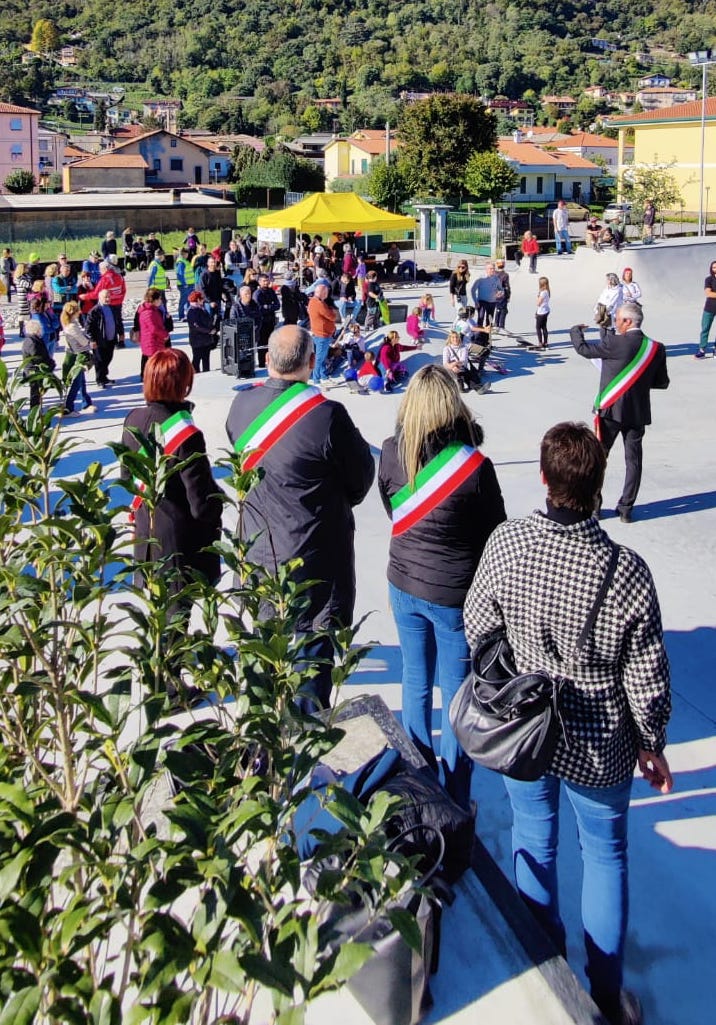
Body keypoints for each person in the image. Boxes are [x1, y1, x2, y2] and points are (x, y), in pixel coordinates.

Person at [463, 420, 672, 1025]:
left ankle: (545, 968)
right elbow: (647, 675)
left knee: (535, 840)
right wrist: (651, 742)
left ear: (544, 478)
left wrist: (520, 669)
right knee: (604, 856)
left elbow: (480, 627)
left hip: (525, 727)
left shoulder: (509, 541)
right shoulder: (626, 569)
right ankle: (605, 993)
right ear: (600, 484)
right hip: (599, 738)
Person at [225, 324, 374, 712]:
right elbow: (360, 479)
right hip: (315, 555)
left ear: (266, 360)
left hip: (258, 551)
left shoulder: (240, 407)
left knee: (261, 656)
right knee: (312, 659)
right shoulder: (326, 415)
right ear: (312, 362)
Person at [378, 363, 505, 806]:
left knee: (414, 680)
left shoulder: (392, 451)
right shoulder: (474, 466)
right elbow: (496, 533)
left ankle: (417, 777)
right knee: (456, 695)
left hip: (403, 582)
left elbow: (391, 509)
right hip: (454, 593)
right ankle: (455, 790)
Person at [122, 349, 222, 700]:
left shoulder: (133, 419)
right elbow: (200, 502)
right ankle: (170, 689)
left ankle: (156, 669)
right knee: (177, 615)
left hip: (146, 530)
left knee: (158, 610)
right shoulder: (186, 434)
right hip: (179, 537)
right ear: (183, 384)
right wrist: (219, 506)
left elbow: (127, 477)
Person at [570, 302, 669, 523]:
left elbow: (584, 350)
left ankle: (595, 507)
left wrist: (575, 331)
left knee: (598, 458)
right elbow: (662, 382)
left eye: (618, 320)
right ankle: (626, 508)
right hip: (638, 413)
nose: (615, 323)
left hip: (611, 412)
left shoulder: (614, 342)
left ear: (628, 321)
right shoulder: (656, 348)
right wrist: (639, 385)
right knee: (633, 461)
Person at [60, 301, 96, 417]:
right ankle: (68, 407)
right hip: (77, 356)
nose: (80, 312)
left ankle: (86, 402)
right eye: (77, 311)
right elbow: (83, 341)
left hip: (75, 354)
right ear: (73, 313)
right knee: (76, 382)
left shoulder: (71, 323)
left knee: (81, 381)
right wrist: (90, 343)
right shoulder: (71, 327)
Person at [86, 258, 127, 349]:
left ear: (105, 269)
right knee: (119, 321)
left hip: (109, 303)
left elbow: (96, 294)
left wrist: (85, 296)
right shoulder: (119, 276)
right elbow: (123, 289)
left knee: (110, 321)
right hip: (118, 302)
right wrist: (120, 298)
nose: (100, 272)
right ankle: (121, 340)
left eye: (100, 270)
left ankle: (113, 340)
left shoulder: (104, 279)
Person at [86, 289, 118, 388]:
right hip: (100, 341)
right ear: (100, 298)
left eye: (109, 296)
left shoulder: (112, 308)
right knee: (99, 360)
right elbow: (88, 327)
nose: (108, 299)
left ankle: (104, 377)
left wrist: (120, 333)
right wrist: (92, 340)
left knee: (108, 358)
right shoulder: (95, 311)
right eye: (105, 297)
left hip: (111, 339)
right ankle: (99, 380)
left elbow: (117, 321)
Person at [136, 287, 171, 379]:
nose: (161, 301)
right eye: (159, 299)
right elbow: (154, 328)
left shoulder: (153, 310)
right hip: (152, 343)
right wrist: (165, 334)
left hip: (156, 341)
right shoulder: (148, 312)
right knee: (154, 366)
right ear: (154, 300)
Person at [307, 282, 338, 384]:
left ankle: (323, 376)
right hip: (322, 334)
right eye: (326, 292)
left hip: (320, 333)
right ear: (322, 293)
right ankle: (316, 380)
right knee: (319, 358)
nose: (327, 294)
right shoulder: (319, 304)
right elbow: (332, 316)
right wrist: (332, 311)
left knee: (323, 357)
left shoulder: (313, 301)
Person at [22, 319, 55, 409]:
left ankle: (36, 408)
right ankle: (35, 410)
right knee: (35, 392)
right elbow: (38, 358)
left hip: (32, 370)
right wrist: (50, 364)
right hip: (34, 371)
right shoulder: (33, 342)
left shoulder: (31, 339)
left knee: (36, 391)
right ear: (36, 330)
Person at [187, 291, 215, 373]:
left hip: (205, 340)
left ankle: (206, 374)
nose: (203, 300)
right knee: (197, 359)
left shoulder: (201, 308)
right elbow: (196, 326)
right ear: (198, 300)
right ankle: (195, 375)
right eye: (202, 298)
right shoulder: (192, 311)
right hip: (197, 341)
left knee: (206, 359)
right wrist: (209, 331)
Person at [694, 259, 716, 359]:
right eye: (714, 267)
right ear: (711, 269)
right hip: (709, 308)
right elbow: (708, 293)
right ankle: (702, 350)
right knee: (705, 329)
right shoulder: (709, 279)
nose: (715, 269)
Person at [175, 248, 195, 321]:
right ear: (184, 254)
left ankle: (188, 315)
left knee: (188, 301)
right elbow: (180, 274)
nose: (187, 255)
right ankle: (181, 316)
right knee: (183, 301)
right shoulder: (181, 262)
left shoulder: (184, 261)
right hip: (185, 285)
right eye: (187, 254)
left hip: (189, 284)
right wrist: (184, 284)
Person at [14, 262, 32, 337]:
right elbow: (28, 285)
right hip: (23, 298)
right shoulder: (19, 278)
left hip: (28, 297)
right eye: (26, 268)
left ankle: (29, 330)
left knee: (29, 314)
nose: (28, 269)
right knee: (22, 315)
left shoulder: (26, 276)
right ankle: (21, 331)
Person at [493, 258, 511, 333]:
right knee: (503, 310)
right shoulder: (505, 275)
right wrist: (508, 295)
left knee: (498, 309)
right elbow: (507, 286)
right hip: (502, 294)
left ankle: (496, 325)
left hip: (495, 294)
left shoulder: (494, 274)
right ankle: (501, 326)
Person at [535, 276, 551, 349]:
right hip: (546, 310)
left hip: (541, 312)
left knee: (538, 327)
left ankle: (540, 343)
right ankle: (546, 342)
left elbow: (538, 303)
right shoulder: (547, 291)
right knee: (544, 327)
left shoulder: (543, 293)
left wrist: (538, 298)